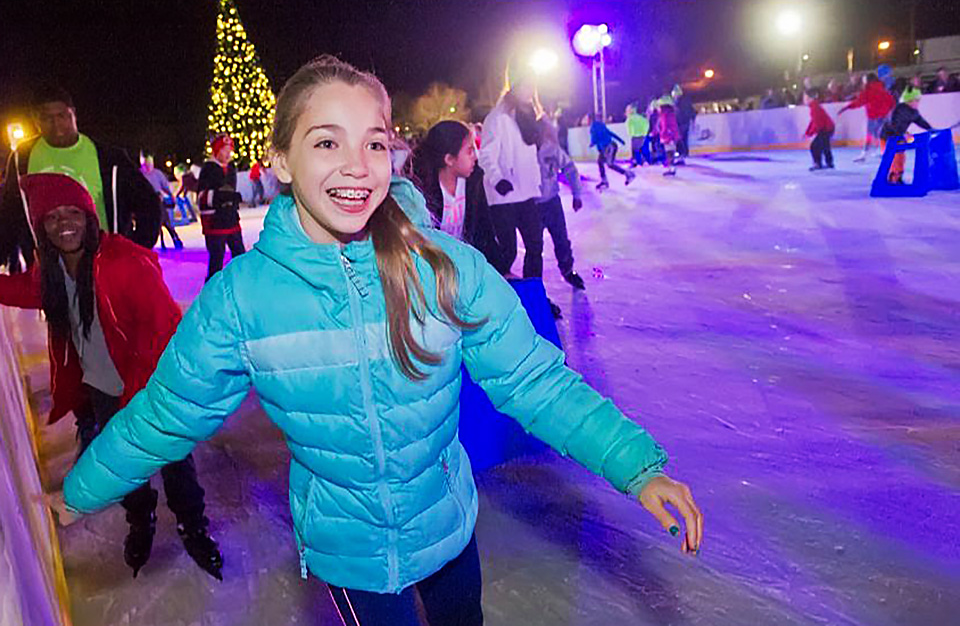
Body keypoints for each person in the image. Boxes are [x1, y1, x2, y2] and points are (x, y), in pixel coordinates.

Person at [63, 55, 703, 626]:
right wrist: (75, 494)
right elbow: (165, 414)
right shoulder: (242, 301)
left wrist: (635, 467)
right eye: (325, 142)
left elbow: (534, 377)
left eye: (373, 143)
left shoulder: (441, 266)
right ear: (281, 161)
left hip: (447, 528)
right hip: (352, 557)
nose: (355, 167)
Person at [0, 173, 223, 580]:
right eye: (51, 217)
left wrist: (148, 399)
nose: (64, 223)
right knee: (124, 467)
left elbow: (166, 331)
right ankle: (141, 520)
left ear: (89, 216)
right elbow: (16, 290)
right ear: (40, 227)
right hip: (103, 390)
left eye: (72, 213)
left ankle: (194, 526)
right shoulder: (51, 273)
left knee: (175, 464)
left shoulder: (124, 263)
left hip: (152, 390)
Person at [0, 84, 160, 272]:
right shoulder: (22, 159)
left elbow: (148, 204)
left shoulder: (107, 157)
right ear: (36, 121)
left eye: (62, 116)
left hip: (103, 265)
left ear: (73, 114)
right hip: (50, 270)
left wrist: (133, 250)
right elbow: (9, 214)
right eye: (47, 118)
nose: (56, 125)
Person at [478, 62, 545, 280]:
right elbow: (486, 154)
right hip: (504, 197)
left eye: (531, 86)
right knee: (508, 251)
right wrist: (498, 179)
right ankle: (493, 295)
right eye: (525, 85)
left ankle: (534, 294)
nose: (529, 90)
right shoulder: (498, 117)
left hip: (526, 193)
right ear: (514, 87)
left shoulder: (528, 117)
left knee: (535, 246)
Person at [412, 119, 502, 269]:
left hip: (466, 268)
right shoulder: (422, 192)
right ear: (449, 159)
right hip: (435, 272)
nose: (475, 156)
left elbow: (484, 230)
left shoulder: (473, 183)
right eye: (469, 150)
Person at [536, 118, 586, 291]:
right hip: (531, 206)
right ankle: (535, 283)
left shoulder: (552, 149)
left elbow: (570, 169)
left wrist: (577, 194)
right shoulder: (522, 151)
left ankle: (568, 270)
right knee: (534, 247)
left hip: (552, 202)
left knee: (561, 239)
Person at [198, 134, 245, 280]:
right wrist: (219, 197)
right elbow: (201, 198)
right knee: (217, 258)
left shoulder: (231, 168)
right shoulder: (208, 169)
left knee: (240, 254)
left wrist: (233, 200)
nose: (227, 153)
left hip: (231, 219)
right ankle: (211, 290)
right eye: (224, 150)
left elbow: (230, 191)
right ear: (216, 151)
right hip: (215, 222)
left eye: (229, 149)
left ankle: (243, 282)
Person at [881, 87, 934, 184]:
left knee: (901, 157)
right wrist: (904, 134)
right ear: (909, 100)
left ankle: (898, 177)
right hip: (888, 137)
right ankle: (891, 177)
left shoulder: (914, 112)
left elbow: (921, 122)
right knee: (893, 158)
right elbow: (893, 124)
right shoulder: (899, 109)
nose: (918, 103)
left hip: (899, 137)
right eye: (916, 100)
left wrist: (931, 129)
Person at [839, 73, 895, 163]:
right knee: (879, 133)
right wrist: (889, 110)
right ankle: (882, 150)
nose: (863, 82)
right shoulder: (882, 89)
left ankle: (865, 153)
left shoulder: (867, 91)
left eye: (864, 80)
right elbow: (891, 100)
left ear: (868, 81)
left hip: (873, 116)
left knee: (870, 134)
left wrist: (846, 107)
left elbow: (858, 102)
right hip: (883, 115)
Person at [141, 155, 183, 251]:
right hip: (146, 203)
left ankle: (176, 239)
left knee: (166, 221)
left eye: (150, 164)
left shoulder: (157, 174)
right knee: (150, 224)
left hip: (158, 200)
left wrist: (171, 195)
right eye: (146, 164)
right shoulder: (140, 174)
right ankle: (148, 244)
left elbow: (165, 186)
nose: (148, 167)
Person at [589, 114, 635, 190]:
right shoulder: (601, 125)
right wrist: (620, 140)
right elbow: (610, 133)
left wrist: (591, 143)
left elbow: (594, 138)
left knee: (609, 164)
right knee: (600, 162)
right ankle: (604, 181)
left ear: (590, 119)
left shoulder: (593, 127)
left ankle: (628, 174)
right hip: (611, 145)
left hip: (607, 147)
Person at [804, 88, 835, 171]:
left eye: (805, 98)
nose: (804, 100)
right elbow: (813, 121)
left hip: (825, 129)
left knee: (814, 146)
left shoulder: (814, 107)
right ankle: (829, 163)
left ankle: (818, 163)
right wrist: (808, 132)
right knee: (825, 146)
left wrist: (811, 132)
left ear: (810, 98)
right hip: (828, 128)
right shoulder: (814, 106)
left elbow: (818, 124)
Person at [655, 94, 682, 177]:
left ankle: (671, 169)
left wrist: (664, 134)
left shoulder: (666, 115)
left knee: (669, 153)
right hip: (670, 135)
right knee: (669, 152)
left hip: (669, 136)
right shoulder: (668, 114)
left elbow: (666, 126)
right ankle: (671, 168)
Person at [673, 85, 696, 162]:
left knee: (680, 138)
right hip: (684, 122)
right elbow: (692, 111)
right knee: (683, 138)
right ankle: (684, 152)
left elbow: (680, 112)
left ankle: (682, 152)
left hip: (681, 122)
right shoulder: (685, 101)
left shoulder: (679, 103)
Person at [626, 103, 651, 167]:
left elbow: (629, 127)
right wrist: (644, 133)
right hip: (642, 135)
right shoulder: (641, 118)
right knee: (641, 149)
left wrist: (631, 133)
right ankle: (644, 161)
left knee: (635, 150)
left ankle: (636, 162)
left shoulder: (630, 118)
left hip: (635, 136)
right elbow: (647, 124)